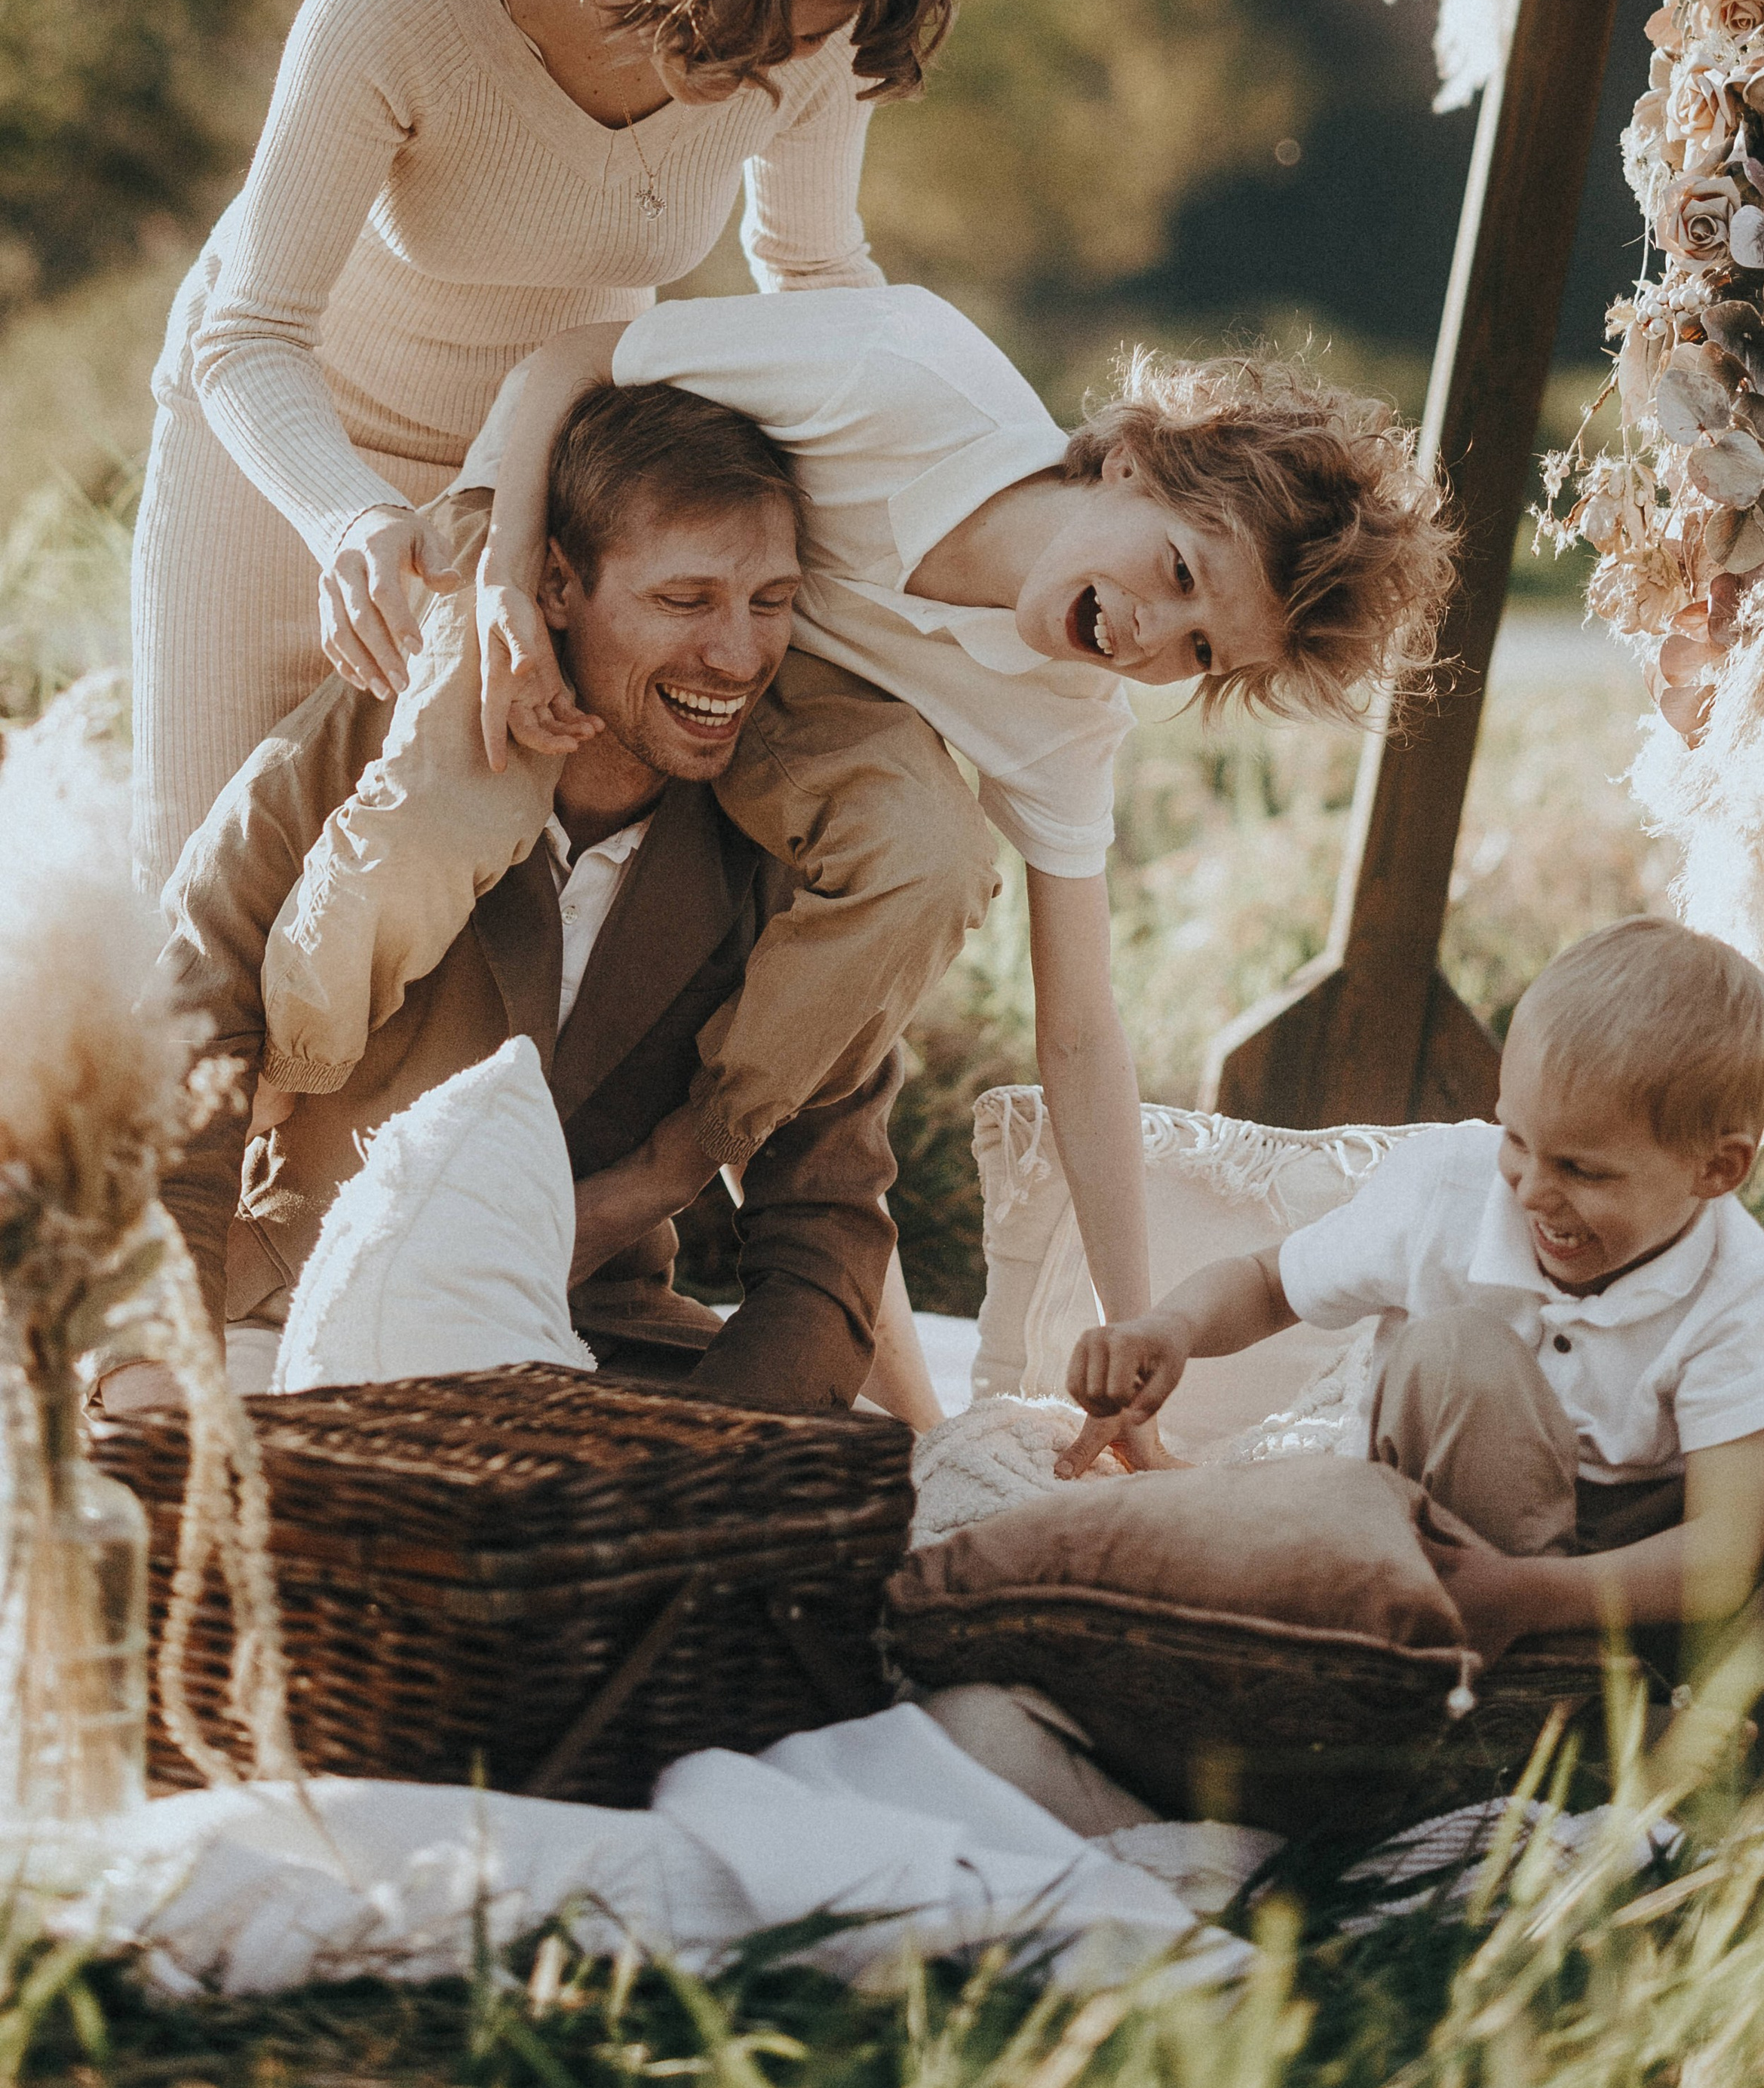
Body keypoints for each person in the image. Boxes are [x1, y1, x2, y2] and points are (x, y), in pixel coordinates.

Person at [247, 284, 1456, 1428]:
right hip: (568, 548)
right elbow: (574, 361)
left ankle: (676, 1165)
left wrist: (1134, 1322)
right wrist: (509, 584)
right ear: (1134, 462)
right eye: (1179, 571)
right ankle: (283, 1103)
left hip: (758, 675)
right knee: (454, 805)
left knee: (930, 851)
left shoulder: (1066, 719)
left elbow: (1082, 1025)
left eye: (1198, 651)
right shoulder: (905, 375)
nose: (1148, 635)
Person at [130, 0, 971, 894]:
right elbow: (249, 331)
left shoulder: (820, 13)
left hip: (531, 496)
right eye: (765, 31)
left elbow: (816, 279)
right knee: (196, 904)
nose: (794, 69)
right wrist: (353, 522)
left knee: (412, 936)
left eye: (820, 35)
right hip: (288, 462)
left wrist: (973, 482)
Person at [104, 379, 995, 1420]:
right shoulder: (377, 754)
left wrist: (729, 1451)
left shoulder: (794, 852)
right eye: (686, 598)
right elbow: (177, 1057)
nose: (739, 653)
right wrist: (150, 1372)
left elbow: (826, 1219)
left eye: (771, 601)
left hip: (591, 1339)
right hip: (284, 1318)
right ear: (559, 585)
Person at [1060, 917, 1764, 1721]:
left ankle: (1755, 1752)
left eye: (1582, 1169)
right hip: (1451, 1541)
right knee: (1456, 1346)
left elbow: (1722, 1550)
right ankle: (1555, 1714)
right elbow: (1269, 1283)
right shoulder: (1448, 1188)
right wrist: (1169, 1328)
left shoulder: (1738, 1282)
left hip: (1633, 1568)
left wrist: (1535, 1592)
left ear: (1716, 1170)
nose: (1534, 1190)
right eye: (1517, 1138)